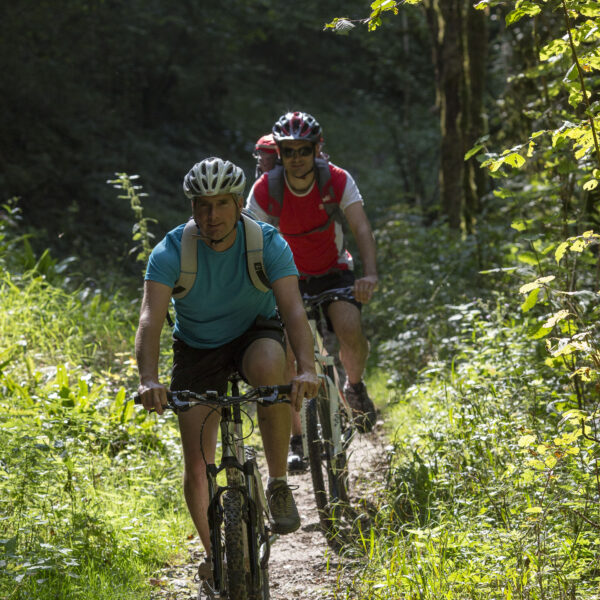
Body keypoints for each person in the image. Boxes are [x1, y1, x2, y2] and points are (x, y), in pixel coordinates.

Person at [135, 157, 319, 582]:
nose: (211, 215)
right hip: (197, 346)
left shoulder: (266, 243)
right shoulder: (171, 250)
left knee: (272, 368)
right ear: (192, 207)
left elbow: (292, 311)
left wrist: (306, 368)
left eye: (221, 204)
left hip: (254, 333)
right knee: (197, 462)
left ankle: (276, 483)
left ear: (239, 203)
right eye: (202, 205)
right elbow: (149, 318)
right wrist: (148, 379)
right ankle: (214, 556)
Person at [246, 111, 378, 473]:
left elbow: (361, 228)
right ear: (280, 154)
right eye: (289, 152)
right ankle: (297, 439)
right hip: (288, 278)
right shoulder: (266, 189)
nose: (297, 158)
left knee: (349, 326)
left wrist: (369, 274)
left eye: (304, 150)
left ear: (317, 149)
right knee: (286, 353)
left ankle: (354, 386)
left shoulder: (336, 180)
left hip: (333, 270)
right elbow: (249, 240)